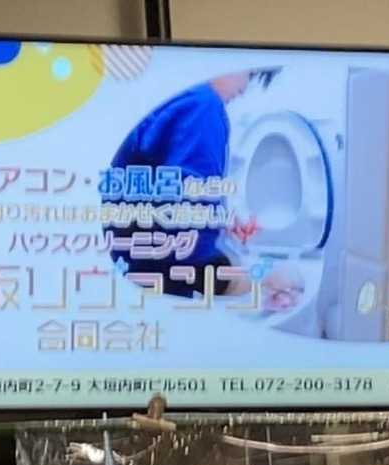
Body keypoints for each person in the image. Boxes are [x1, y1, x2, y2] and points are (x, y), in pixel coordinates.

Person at [103, 68, 281, 298]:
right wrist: (265, 278)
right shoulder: (203, 105)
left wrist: (217, 216)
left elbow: (166, 191)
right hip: (156, 274)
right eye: (249, 74)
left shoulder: (173, 96)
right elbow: (189, 242)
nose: (245, 87)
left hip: (129, 264)